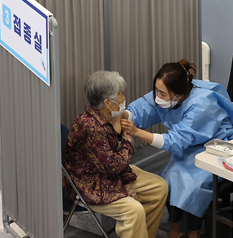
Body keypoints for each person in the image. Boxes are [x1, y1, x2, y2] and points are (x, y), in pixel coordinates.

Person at [121, 59, 233, 238]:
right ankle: (176, 229)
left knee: (191, 188)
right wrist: (124, 115)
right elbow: (145, 106)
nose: (157, 97)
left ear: (179, 94)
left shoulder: (200, 106)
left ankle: (193, 232)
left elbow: (175, 141)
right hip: (188, 149)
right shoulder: (170, 94)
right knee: (168, 182)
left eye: (162, 93)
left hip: (213, 150)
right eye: (156, 90)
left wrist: (136, 132)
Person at [64, 71, 168, 238]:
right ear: (107, 103)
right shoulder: (91, 127)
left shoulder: (107, 118)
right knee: (134, 211)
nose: (123, 99)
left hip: (109, 173)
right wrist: (128, 139)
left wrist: (127, 181)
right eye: (120, 95)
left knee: (159, 187)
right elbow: (113, 165)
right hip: (89, 184)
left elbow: (116, 162)